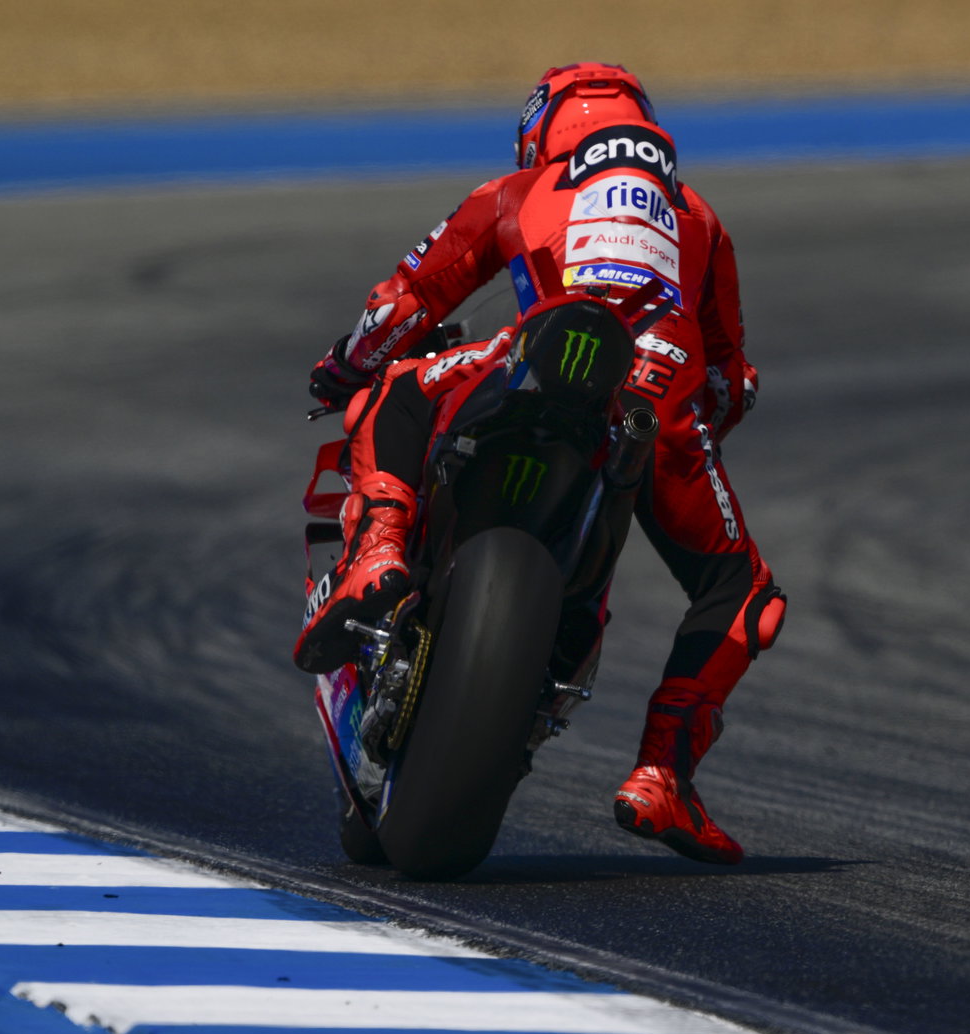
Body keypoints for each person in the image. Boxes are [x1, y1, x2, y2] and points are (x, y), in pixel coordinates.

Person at [294, 62, 785, 865]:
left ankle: (377, 551)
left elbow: (406, 300)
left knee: (396, 388)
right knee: (745, 592)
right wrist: (695, 441)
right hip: (654, 405)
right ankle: (662, 773)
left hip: (532, 359)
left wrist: (342, 365)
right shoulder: (700, 218)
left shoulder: (519, 191)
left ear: (543, 135)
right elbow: (731, 379)